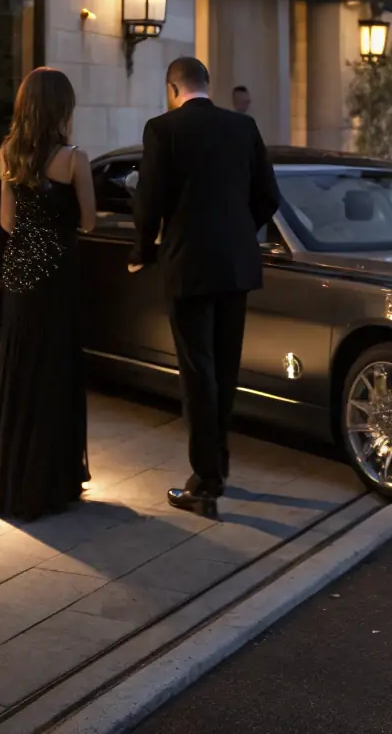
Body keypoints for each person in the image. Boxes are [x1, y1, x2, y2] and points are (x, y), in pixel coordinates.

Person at [129, 57, 279, 519]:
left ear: (174, 87)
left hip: (188, 265)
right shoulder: (243, 127)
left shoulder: (162, 129)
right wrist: (238, 233)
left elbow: (149, 199)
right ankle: (220, 465)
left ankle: (205, 482)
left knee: (198, 373)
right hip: (235, 267)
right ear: (207, 85)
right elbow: (268, 197)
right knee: (225, 368)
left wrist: (142, 251)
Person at [0, 67, 97, 521]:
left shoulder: (8, 152)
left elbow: (7, 222)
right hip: (57, 272)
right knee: (55, 366)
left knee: (21, 364)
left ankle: (14, 479)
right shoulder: (73, 158)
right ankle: (53, 478)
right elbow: (88, 221)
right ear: (61, 108)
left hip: (21, 271)